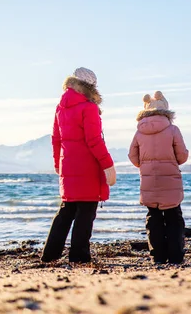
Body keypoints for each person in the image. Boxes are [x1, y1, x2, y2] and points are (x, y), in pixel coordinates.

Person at [41, 67, 117, 264]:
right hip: (88, 168)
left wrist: (58, 163)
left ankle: (50, 254)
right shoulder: (88, 108)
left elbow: (56, 139)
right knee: (86, 212)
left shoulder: (60, 107)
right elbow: (94, 140)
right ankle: (79, 255)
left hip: (68, 165)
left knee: (66, 211)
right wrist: (109, 166)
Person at [128, 91, 189, 264]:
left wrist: (145, 166)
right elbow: (182, 156)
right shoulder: (172, 129)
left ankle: (158, 256)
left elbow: (132, 156)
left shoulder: (139, 132)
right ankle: (176, 256)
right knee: (173, 216)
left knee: (153, 216)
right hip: (170, 178)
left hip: (148, 179)